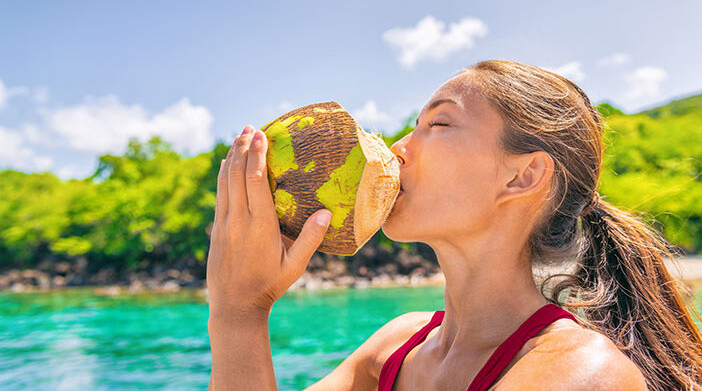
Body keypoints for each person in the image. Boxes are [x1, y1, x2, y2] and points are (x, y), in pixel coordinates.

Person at [206, 59, 702, 390]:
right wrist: (237, 306)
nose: (398, 147)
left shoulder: (583, 374)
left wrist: (239, 315)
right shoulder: (394, 345)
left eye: (438, 125)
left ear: (522, 175)